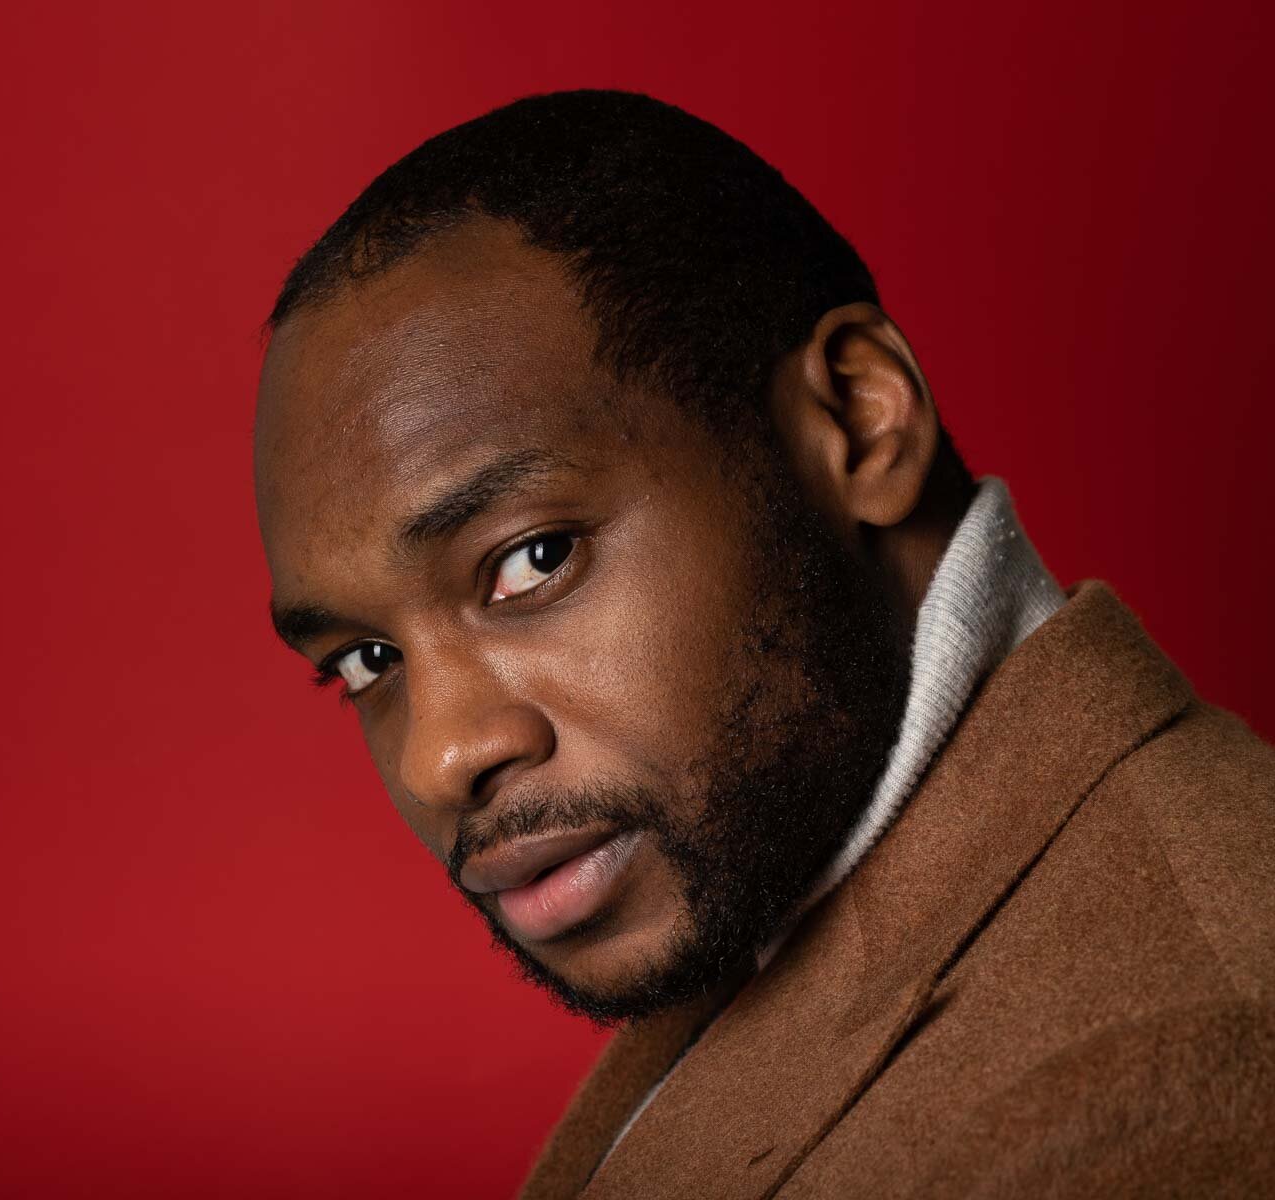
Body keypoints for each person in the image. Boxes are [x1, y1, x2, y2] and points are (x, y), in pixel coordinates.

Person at [251, 90, 1274, 1197]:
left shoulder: (1160, 1100)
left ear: (859, 419)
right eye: (367, 661)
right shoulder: (772, 872)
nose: (439, 757)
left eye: (534, 559)